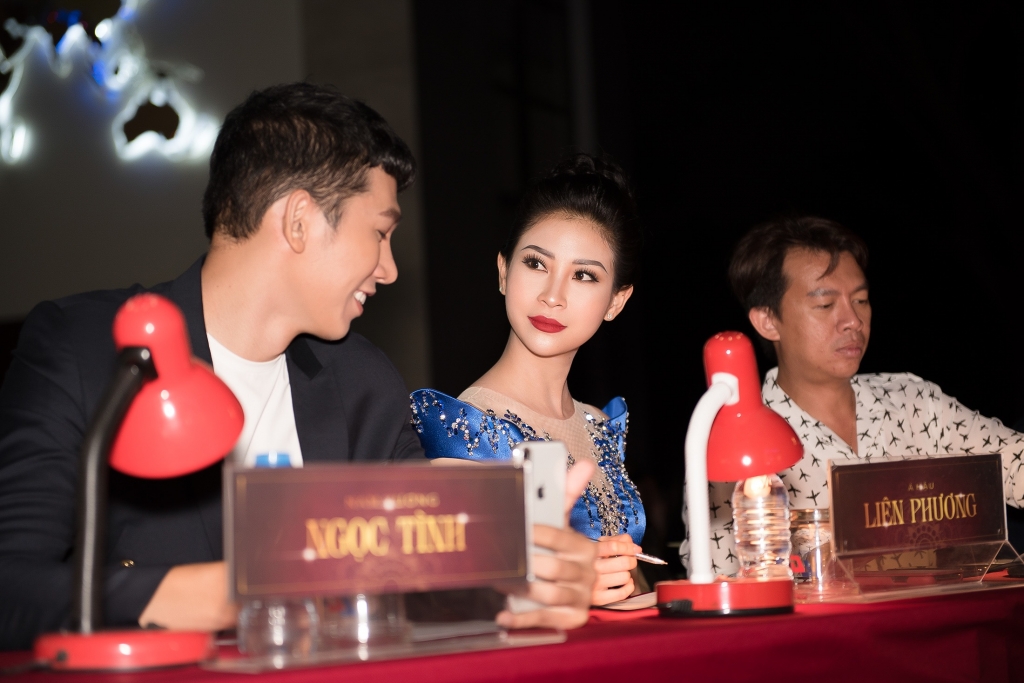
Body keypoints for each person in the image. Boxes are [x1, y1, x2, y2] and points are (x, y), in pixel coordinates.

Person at [0, 83, 595, 650]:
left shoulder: (363, 383)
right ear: (299, 220)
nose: (389, 269)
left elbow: (422, 572)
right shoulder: (87, 350)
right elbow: (12, 586)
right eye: (380, 233)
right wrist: (223, 593)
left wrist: (519, 578)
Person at [684, 215, 1024, 575]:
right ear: (768, 321)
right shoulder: (732, 440)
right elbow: (715, 575)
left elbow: (1016, 464)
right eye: (825, 305)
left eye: (860, 300)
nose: (853, 321)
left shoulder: (914, 403)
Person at [412, 154, 647, 606]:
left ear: (616, 301)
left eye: (583, 275)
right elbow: (456, 601)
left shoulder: (600, 427)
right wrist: (566, 588)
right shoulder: (465, 430)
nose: (552, 295)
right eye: (537, 264)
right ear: (504, 271)